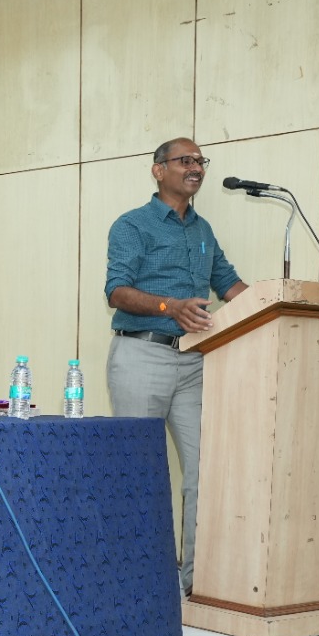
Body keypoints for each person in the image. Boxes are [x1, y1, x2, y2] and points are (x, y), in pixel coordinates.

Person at [105, 138, 248, 594]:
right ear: (158, 170)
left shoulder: (203, 230)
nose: (196, 168)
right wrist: (171, 306)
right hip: (141, 355)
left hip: (194, 361)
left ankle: (196, 582)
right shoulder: (133, 225)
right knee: (137, 473)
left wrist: (279, 303)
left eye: (200, 161)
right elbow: (117, 292)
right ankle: (140, 581)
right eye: (185, 160)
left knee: (206, 470)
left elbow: (228, 284)